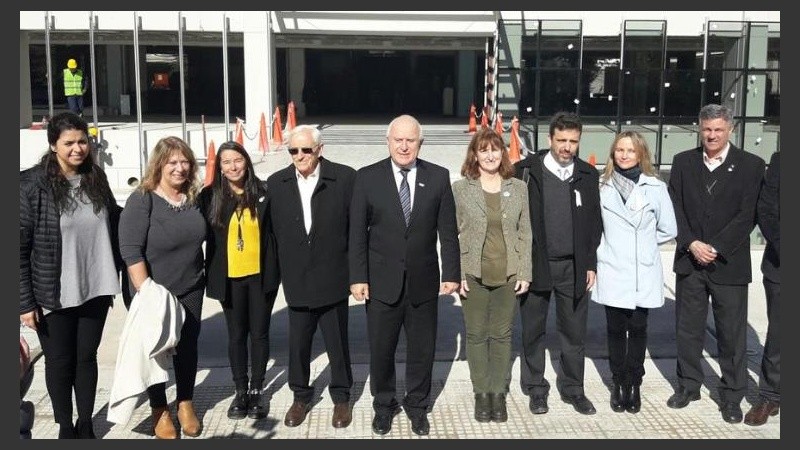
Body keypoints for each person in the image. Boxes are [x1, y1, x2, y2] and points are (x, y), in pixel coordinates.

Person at [349, 114, 460, 436]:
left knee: (422, 351)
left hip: (424, 283)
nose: (404, 145)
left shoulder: (438, 178)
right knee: (381, 350)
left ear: (420, 143)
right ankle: (384, 406)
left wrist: (451, 272)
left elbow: (448, 232)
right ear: (388, 142)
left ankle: (417, 406)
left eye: (411, 140)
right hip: (381, 283)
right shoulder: (367, 178)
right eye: (398, 139)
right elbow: (357, 233)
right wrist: (358, 277)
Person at [20, 111, 122, 438]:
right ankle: (65, 425)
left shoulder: (96, 177)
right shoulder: (31, 185)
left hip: (96, 286)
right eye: (69, 143)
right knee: (59, 362)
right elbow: (17, 250)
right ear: (53, 145)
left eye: (83, 141)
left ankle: (87, 422)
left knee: (86, 359)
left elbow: (117, 220)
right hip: (53, 292)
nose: (78, 149)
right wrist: (24, 303)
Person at [666, 103, 765, 424]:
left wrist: (716, 247)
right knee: (688, 330)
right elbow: (674, 207)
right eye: (707, 129)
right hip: (690, 261)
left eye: (718, 130)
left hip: (729, 264)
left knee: (731, 334)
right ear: (699, 128)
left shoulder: (752, 165)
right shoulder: (683, 162)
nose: (711, 135)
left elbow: (747, 215)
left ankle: (732, 395)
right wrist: (691, 242)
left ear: (730, 130)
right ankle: (688, 386)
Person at [513, 111, 603, 416]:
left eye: (573, 141)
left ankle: (573, 389)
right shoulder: (524, 171)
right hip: (536, 264)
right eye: (561, 140)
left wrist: (590, 262)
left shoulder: (588, 175)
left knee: (574, 332)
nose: (567, 146)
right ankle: (536, 388)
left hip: (573, 267)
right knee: (533, 331)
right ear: (550, 138)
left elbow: (594, 223)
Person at [267, 125, 356, 429]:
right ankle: (300, 396)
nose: (300, 156)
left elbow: (357, 231)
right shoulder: (276, 183)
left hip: (333, 277)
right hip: (297, 280)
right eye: (294, 150)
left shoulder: (344, 178)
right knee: (299, 344)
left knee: (337, 344)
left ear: (320, 149)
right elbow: (271, 236)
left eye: (306, 150)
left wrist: (358, 275)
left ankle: (342, 398)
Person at [118, 136, 207, 438]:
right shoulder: (142, 199)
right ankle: (159, 409)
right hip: (152, 291)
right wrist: (147, 293)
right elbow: (131, 251)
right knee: (155, 351)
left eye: (184, 162)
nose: (179, 168)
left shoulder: (193, 197)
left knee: (187, 348)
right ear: (159, 164)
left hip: (190, 287)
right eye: (172, 162)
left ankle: (185, 402)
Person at [591, 131, 677, 414]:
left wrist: (644, 245)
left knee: (639, 330)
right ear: (612, 154)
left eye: (630, 150)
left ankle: (635, 383)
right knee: (615, 331)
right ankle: (618, 383)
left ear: (641, 154)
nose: (624, 155)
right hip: (613, 268)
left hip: (643, 271)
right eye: (619, 150)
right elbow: (595, 228)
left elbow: (669, 228)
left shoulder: (655, 186)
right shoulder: (601, 186)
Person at [452, 128, 532, 423]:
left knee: (501, 335)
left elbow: (525, 232)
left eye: (495, 149)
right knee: (475, 335)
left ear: (503, 153)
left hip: (508, 273)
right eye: (483, 150)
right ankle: (481, 393)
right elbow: (452, 235)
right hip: (472, 273)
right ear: (474, 154)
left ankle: (498, 393)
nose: (489, 155)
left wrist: (525, 270)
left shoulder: (518, 188)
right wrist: (456, 273)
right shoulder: (461, 189)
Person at [198, 141, 279, 421]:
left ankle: (257, 389)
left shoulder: (265, 192)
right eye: (226, 162)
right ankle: (240, 390)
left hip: (260, 276)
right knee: (236, 335)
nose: (233, 167)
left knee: (259, 333)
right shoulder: (209, 197)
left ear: (247, 161)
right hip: (229, 278)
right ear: (219, 167)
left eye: (238, 160)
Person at [744, 150, 780, 426]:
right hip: (782, 264)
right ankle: (769, 395)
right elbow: (766, 211)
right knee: (780, 334)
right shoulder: (781, 160)